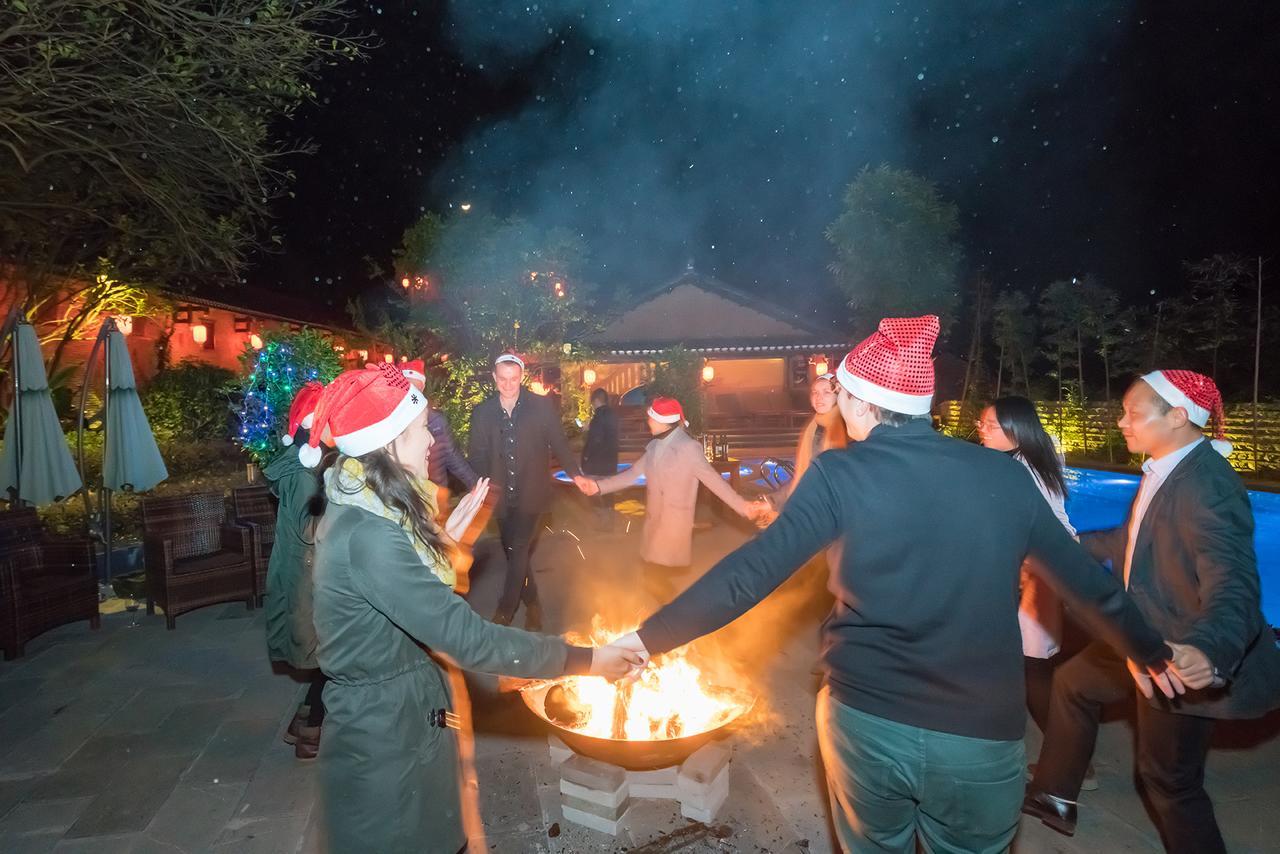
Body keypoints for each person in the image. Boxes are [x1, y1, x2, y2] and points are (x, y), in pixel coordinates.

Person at [610, 315, 1179, 854]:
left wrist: (645, 640)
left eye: (843, 396)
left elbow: (750, 574)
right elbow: (1086, 584)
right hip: (979, 736)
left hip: (868, 723)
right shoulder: (1004, 476)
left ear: (861, 401)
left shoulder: (841, 474)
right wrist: (1151, 652)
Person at [298, 363, 641, 854]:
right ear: (387, 445)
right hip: (384, 740)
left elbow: (408, 592)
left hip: (404, 718)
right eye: (419, 433)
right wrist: (589, 660)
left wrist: (448, 544)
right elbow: (469, 639)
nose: (429, 445)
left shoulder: (374, 509)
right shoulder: (368, 535)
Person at [1024, 370, 1280, 852]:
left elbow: (1236, 584)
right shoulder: (1167, 467)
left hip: (1179, 652)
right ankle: (1054, 796)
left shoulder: (1209, 486)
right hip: (1144, 636)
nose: (1122, 422)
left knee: (1169, 782)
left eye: (1133, 413)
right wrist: (1063, 548)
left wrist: (1208, 649)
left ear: (1178, 416)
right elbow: (1132, 541)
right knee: (1074, 683)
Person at [577, 397, 762, 603]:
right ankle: (676, 618)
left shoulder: (689, 449)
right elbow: (631, 474)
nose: (648, 422)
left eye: (651, 418)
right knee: (653, 577)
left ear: (663, 421)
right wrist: (598, 487)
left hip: (673, 525)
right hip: (654, 523)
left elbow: (714, 481)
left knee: (653, 579)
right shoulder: (654, 446)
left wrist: (743, 506)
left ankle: (680, 618)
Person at [976, 398, 1081, 738]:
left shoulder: (1025, 471)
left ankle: (1069, 759)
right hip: (1031, 578)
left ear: (1016, 430)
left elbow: (1047, 529)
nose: (982, 430)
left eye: (991, 425)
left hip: (1037, 580)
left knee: (1033, 669)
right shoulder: (1025, 462)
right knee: (1025, 667)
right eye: (982, 423)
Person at [467, 353, 589, 629]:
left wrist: (576, 475)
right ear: (494, 378)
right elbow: (476, 456)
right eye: (503, 379)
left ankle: (503, 613)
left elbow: (559, 443)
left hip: (532, 496)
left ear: (521, 377)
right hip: (500, 498)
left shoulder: (540, 408)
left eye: (513, 378)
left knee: (519, 549)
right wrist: (475, 487)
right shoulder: (482, 413)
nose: (508, 384)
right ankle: (533, 604)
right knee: (514, 556)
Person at [265, 382, 326, 760]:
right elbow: (309, 528)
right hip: (309, 575)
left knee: (328, 654)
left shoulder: (300, 464)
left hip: (303, 572)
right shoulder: (305, 474)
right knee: (331, 652)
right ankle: (310, 732)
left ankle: (303, 721)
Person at [400, 360, 478, 523]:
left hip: (436, 498)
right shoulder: (392, 424)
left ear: (422, 388)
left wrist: (474, 484)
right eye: (405, 387)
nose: (410, 393)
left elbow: (452, 456)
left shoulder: (436, 421)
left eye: (414, 387)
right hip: (404, 499)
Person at [762, 372, 847, 517]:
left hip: (837, 512)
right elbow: (805, 475)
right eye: (815, 392)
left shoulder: (847, 429)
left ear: (838, 396)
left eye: (826, 392)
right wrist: (773, 501)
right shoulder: (814, 427)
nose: (819, 397)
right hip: (816, 509)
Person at [580, 387, 620, 530]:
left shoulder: (598, 417)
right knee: (608, 492)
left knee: (594, 492)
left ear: (596, 400)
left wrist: (585, 458)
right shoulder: (613, 415)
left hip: (596, 464)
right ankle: (610, 522)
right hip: (610, 462)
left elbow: (595, 440)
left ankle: (601, 524)